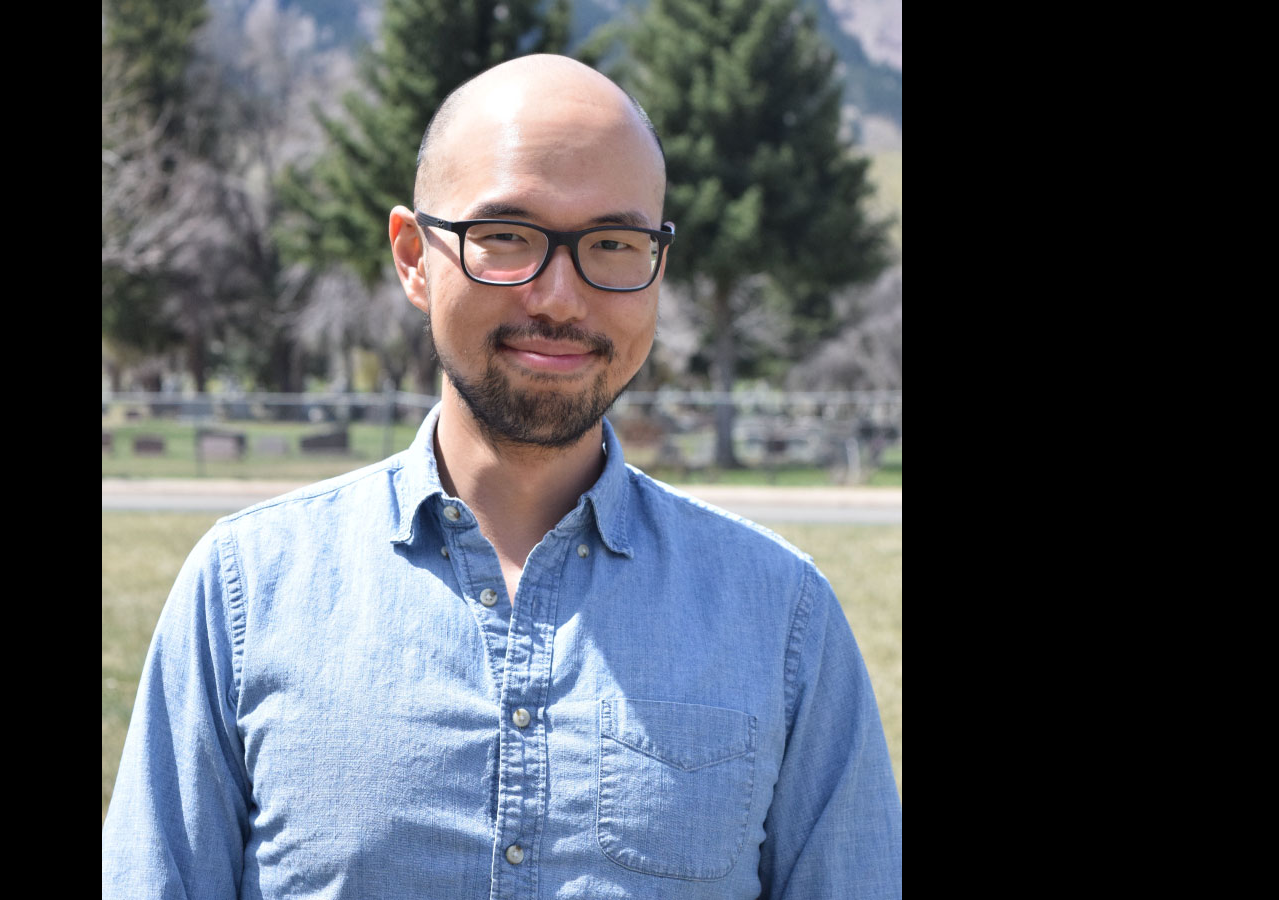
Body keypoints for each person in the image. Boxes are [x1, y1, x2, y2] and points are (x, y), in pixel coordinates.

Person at [103, 54, 901, 899]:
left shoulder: (782, 619)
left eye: (614, 244)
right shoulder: (242, 595)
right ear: (414, 257)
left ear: (657, 268)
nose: (560, 296)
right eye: (508, 237)